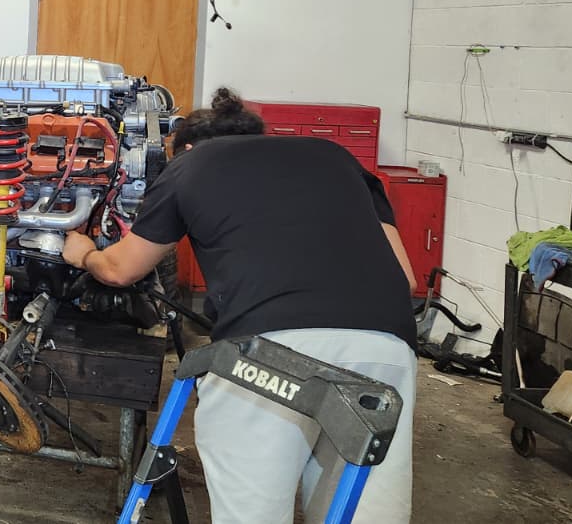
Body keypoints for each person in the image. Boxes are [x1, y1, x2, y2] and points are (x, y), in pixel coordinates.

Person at [64, 87, 418, 524]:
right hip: (385, 348)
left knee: (253, 512)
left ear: (186, 147)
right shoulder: (337, 158)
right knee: (364, 510)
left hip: (269, 353)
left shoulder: (192, 164)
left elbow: (120, 270)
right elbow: (406, 279)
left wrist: (82, 253)